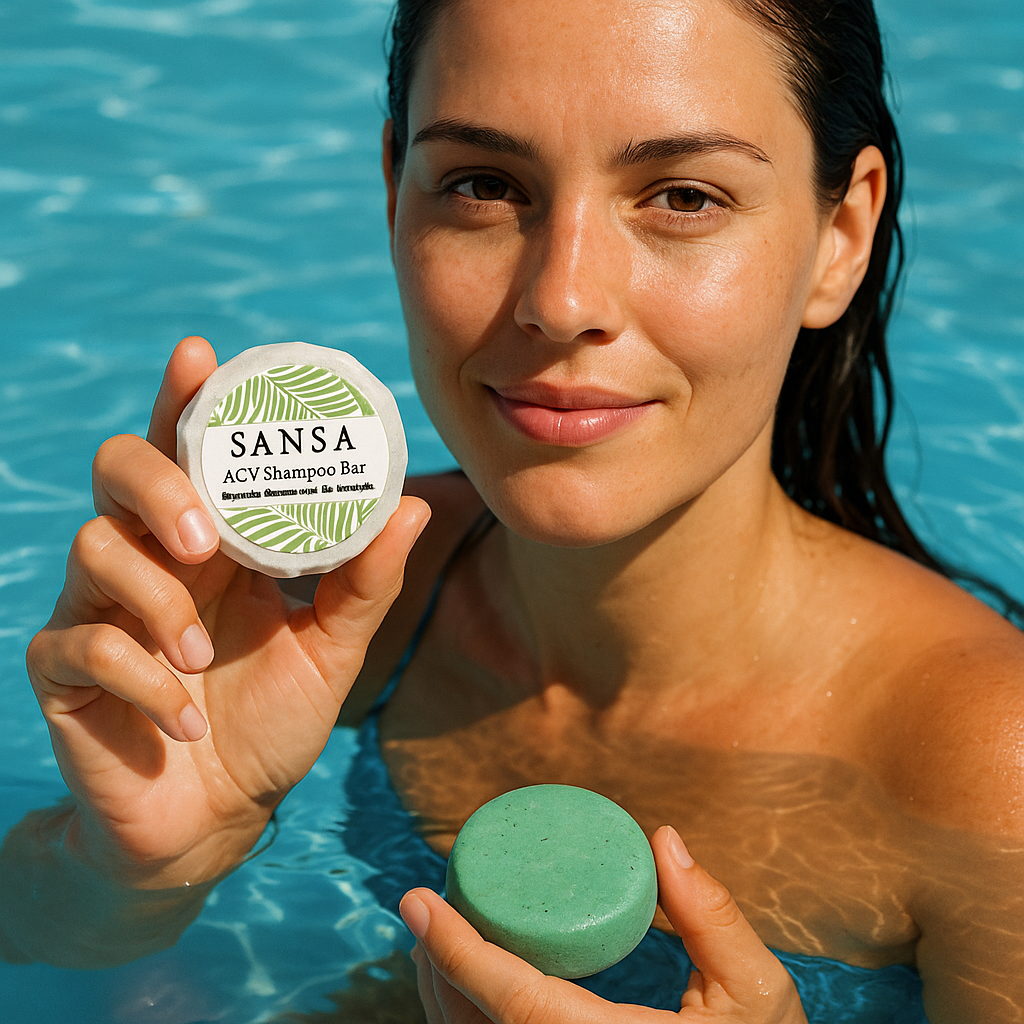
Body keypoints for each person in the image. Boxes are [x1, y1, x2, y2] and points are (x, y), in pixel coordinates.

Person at [4, 0, 1024, 1020]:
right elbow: (32, 952)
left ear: (841, 236)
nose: (561, 299)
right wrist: (130, 864)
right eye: (483, 185)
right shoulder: (323, 615)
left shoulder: (985, 771)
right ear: (394, 195)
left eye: (683, 195)